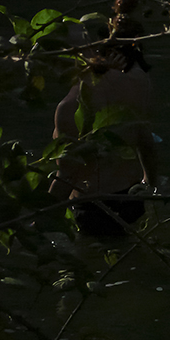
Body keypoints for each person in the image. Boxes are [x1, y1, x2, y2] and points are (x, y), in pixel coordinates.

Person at [48, 36, 157, 236]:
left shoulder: (68, 108)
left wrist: (38, 223)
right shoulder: (138, 82)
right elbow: (146, 143)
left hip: (91, 208)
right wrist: (151, 187)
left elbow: (67, 175)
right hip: (132, 199)